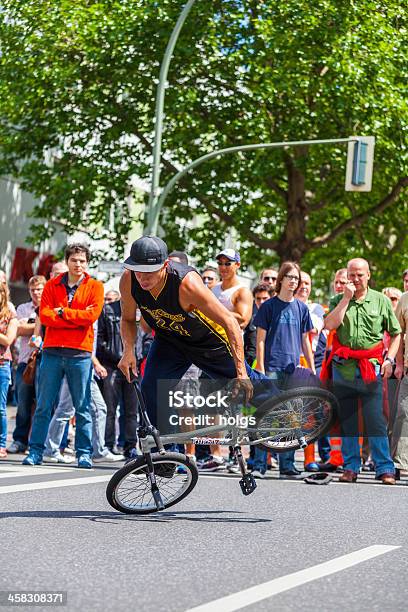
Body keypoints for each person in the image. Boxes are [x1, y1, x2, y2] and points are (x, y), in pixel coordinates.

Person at [117, 236, 268, 440]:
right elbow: (127, 319)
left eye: (149, 272)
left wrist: (240, 371)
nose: (143, 279)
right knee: (150, 388)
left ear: (165, 265)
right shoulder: (128, 280)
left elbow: (231, 322)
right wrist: (128, 351)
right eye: (138, 271)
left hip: (208, 342)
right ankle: (164, 452)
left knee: (243, 382)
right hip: (169, 340)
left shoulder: (187, 284)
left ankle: (288, 408)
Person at [23, 243, 104, 469]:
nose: (78, 264)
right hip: (52, 351)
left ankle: (84, 454)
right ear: (67, 261)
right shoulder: (51, 285)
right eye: (74, 260)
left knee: (82, 407)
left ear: (87, 263)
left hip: (80, 353)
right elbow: (46, 316)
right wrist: (73, 317)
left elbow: (91, 317)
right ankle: (35, 452)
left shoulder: (95, 286)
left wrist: (63, 312)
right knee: (43, 405)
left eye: (82, 261)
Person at [323, 258, 400, 484]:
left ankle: (384, 468)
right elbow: (329, 325)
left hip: (371, 366)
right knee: (348, 419)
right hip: (344, 367)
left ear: (368, 275)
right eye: (352, 275)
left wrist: (390, 359)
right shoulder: (338, 299)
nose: (355, 279)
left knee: (375, 418)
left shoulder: (381, 301)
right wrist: (346, 299)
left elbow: (396, 333)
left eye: (360, 275)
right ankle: (350, 467)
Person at [251, 261, 315, 479]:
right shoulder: (269, 306)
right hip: (271, 368)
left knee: (292, 418)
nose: (294, 281)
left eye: (296, 278)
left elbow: (305, 340)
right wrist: (259, 366)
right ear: (281, 280)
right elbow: (260, 339)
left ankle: (287, 467)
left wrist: (311, 366)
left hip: (292, 369)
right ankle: (259, 465)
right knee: (266, 415)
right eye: (290, 277)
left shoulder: (301, 307)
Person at [8, 275, 46, 454]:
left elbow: (25, 327)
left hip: (46, 360)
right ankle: (19, 440)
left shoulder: (49, 306)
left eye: (39, 289)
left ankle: (37, 441)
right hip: (26, 361)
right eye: (33, 290)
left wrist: (30, 324)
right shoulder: (23, 308)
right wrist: (39, 323)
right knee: (22, 404)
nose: (36, 293)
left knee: (42, 404)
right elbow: (17, 330)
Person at [0, 283, 18, 458]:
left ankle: (1, 444)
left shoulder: (10, 315)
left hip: (2, 365)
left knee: (0, 408)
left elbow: (8, 340)